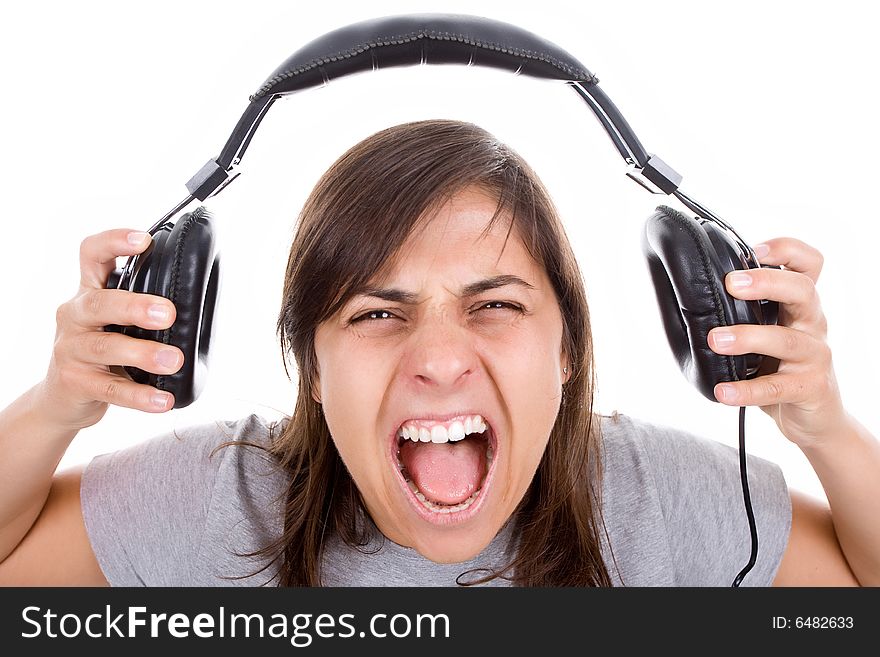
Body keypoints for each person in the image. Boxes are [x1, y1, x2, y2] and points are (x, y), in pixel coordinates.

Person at [0, 119, 876, 586]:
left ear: (567, 349)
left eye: (493, 305)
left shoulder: (661, 497)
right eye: (378, 315)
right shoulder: (220, 500)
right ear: (310, 364)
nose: (441, 359)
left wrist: (825, 427)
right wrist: (54, 407)